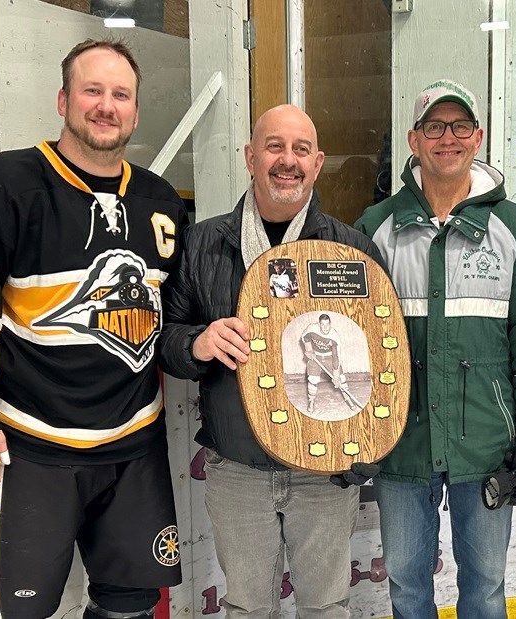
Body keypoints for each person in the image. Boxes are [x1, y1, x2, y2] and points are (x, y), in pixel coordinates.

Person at [0, 39, 189, 619]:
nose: (106, 105)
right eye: (92, 91)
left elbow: (171, 313)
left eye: (121, 94)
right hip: (29, 445)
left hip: (132, 445)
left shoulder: (161, 202)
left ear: (136, 111)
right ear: (63, 99)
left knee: (131, 602)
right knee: (11, 609)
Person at [158, 104, 385, 617]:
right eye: (275, 146)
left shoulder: (352, 253)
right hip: (237, 465)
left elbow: (382, 357)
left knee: (326, 606)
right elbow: (166, 337)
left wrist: (368, 442)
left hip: (325, 470)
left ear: (318, 162)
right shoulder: (201, 245)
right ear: (251, 156)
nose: (288, 160)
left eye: (301, 149)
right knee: (247, 607)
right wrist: (197, 342)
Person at [354, 79, 516, 619]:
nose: (447, 137)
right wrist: (347, 430)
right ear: (414, 140)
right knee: (405, 585)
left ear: (478, 137)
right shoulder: (375, 229)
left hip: (488, 444)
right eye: (434, 127)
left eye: (460, 126)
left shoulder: (513, 227)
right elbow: (351, 341)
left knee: (487, 588)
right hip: (402, 443)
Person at [301, 313, 356, 413]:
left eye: (328, 324)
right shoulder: (312, 328)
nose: (326, 328)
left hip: (329, 357)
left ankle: (348, 399)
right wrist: (309, 350)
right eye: (323, 324)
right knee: (313, 379)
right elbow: (305, 337)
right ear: (319, 324)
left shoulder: (334, 336)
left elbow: (335, 356)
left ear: (330, 324)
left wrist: (336, 375)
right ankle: (311, 401)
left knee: (341, 378)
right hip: (315, 356)